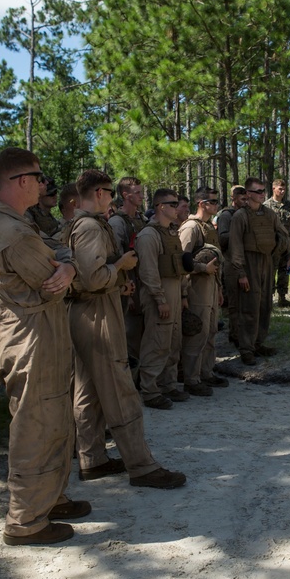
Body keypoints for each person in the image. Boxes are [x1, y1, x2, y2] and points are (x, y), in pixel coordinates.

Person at [0, 147, 90, 546]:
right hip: (29, 340)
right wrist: (68, 267)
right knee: (35, 428)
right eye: (39, 177)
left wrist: (68, 263)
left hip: (43, 336)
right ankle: (25, 521)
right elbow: (53, 278)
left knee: (56, 422)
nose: (44, 184)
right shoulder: (8, 232)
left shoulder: (20, 224)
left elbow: (61, 254)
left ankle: (49, 499)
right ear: (21, 181)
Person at [65, 170, 187, 488]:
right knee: (120, 390)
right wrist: (120, 267)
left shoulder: (82, 224)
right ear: (101, 193)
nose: (112, 199)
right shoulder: (91, 226)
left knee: (88, 391)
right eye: (109, 192)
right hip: (97, 314)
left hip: (86, 313)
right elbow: (92, 279)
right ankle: (142, 466)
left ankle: (92, 459)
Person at [135, 189, 190, 409]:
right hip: (159, 294)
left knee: (173, 340)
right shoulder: (149, 235)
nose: (177, 208)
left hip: (174, 291)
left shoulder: (171, 232)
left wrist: (182, 294)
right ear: (160, 207)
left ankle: (168, 385)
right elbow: (148, 272)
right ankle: (149, 390)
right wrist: (159, 299)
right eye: (173, 204)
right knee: (156, 342)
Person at [228, 177, 290, 365]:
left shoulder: (270, 214)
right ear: (248, 194)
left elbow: (283, 235)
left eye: (263, 191)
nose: (262, 194)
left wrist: (276, 250)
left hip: (267, 261)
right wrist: (241, 273)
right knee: (249, 306)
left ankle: (258, 343)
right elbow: (235, 245)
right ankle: (246, 349)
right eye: (258, 191)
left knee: (264, 304)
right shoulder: (240, 216)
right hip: (249, 263)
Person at [178, 186, 227, 395]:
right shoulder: (191, 227)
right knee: (196, 334)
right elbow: (181, 261)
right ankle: (191, 379)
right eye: (213, 201)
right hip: (196, 288)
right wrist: (183, 293)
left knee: (210, 332)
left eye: (217, 201)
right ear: (201, 204)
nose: (216, 205)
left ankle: (206, 372)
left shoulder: (208, 226)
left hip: (211, 287)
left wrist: (219, 288)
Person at [109, 177, 148, 376]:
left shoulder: (141, 219)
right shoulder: (117, 222)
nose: (142, 196)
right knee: (130, 337)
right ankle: (129, 384)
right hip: (129, 286)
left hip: (144, 284)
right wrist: (126, 289)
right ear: (126, 195)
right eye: (138, 192)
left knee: (144, 336)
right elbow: (116, 258)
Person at [217, 185, 248, 348]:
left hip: (245, 263)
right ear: (233, 199)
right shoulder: (226, 216)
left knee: (246, 302)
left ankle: (243, 333)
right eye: (242, 198)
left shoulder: (248, 214)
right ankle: (234, 335)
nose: (245, 201)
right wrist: (239, 233)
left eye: (247, 198)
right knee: (234, 302)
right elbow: (222, 239)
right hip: (230, 263)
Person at [263, 179, 290, 307]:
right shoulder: (266, 206)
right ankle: (269, 298)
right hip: (272, 245)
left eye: (284, 189)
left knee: (285, 270)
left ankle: (282, 297)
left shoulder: (288, 206)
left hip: (286, 244)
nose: (282, 192)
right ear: (273, 189)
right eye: (280, 189)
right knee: (270, 271)